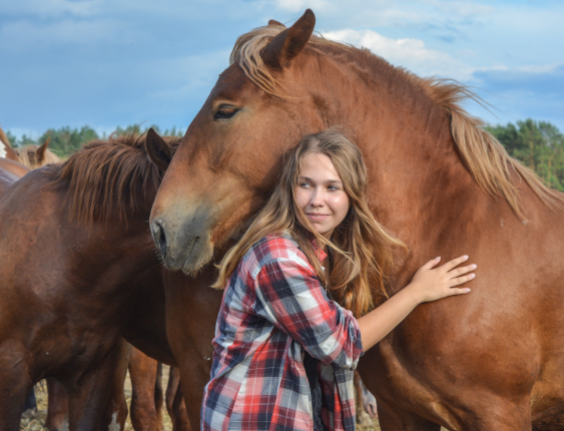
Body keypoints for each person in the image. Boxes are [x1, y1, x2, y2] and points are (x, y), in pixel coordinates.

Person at [202, 129, 476, 431]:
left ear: (351, 195)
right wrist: (417, 292)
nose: (317, 200)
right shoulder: (277, 258)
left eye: (332, 187)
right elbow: (341, 345)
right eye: (305, 185)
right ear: (289, 189)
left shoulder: (318, 255)